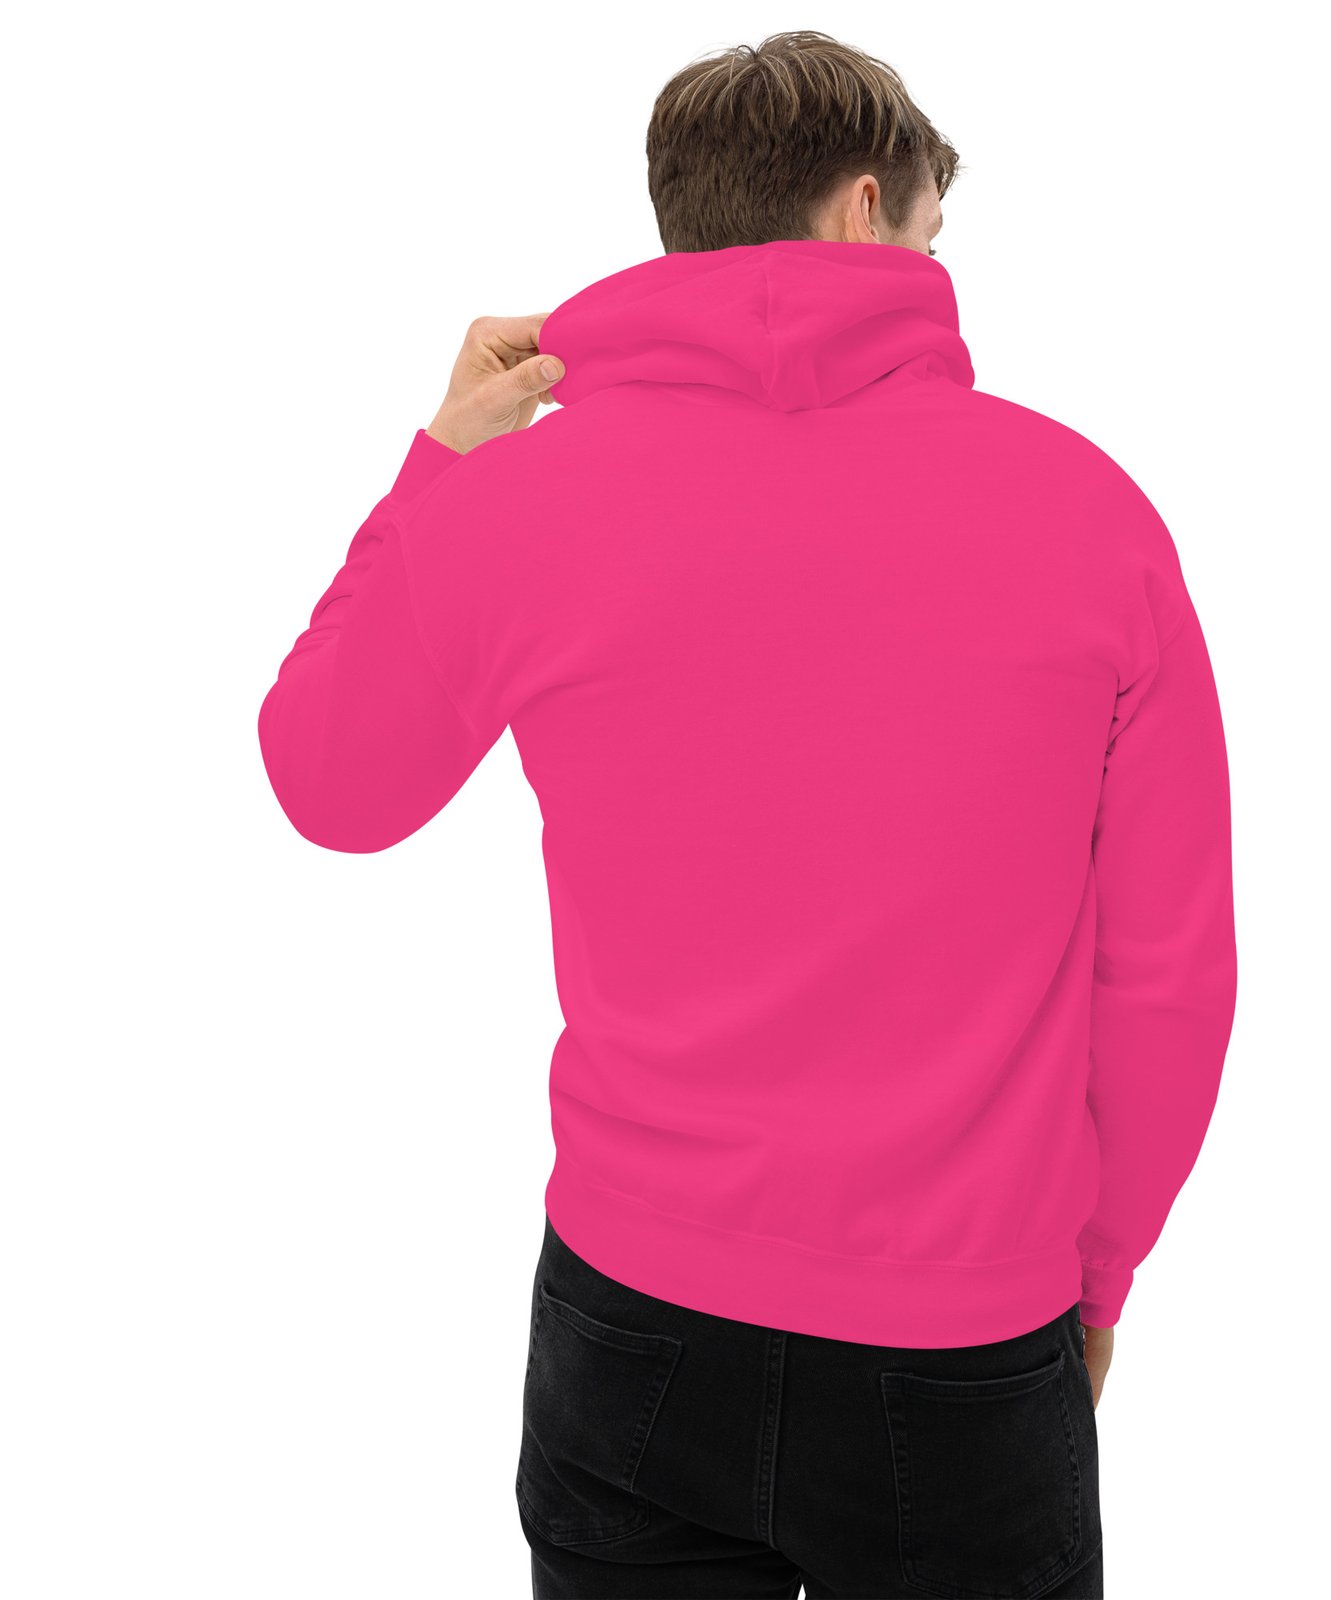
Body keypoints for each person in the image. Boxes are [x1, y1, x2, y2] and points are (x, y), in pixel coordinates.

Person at [257, 29, 1236, 1600]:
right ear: (865, 207)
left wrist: (440, 467)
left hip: (631, 1320)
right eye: (933, 231)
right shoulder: (1091, 518)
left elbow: (329, 784)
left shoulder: (521, 506)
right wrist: (1100, 1280)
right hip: (963, 1340)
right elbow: (1168, 976)